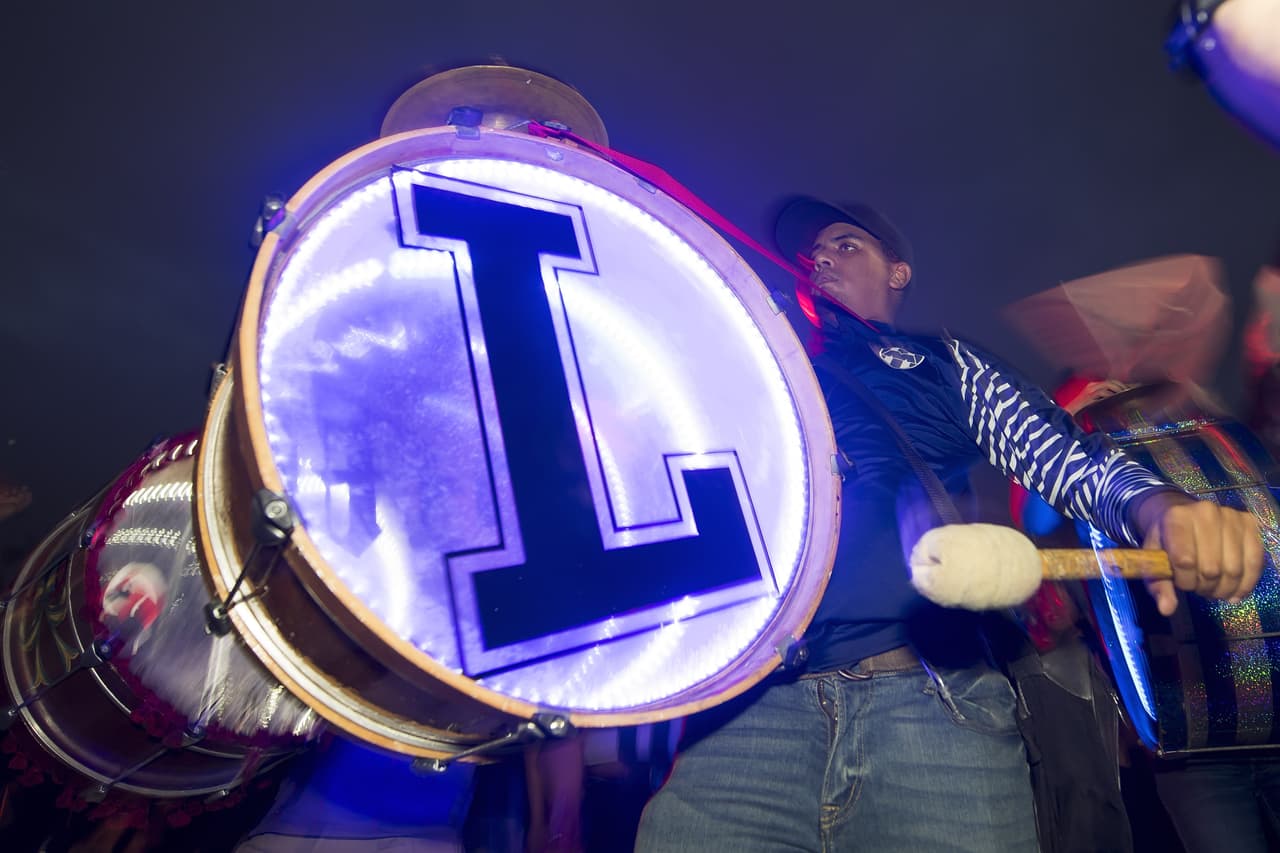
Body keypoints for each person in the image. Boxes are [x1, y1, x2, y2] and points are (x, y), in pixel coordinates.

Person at [633, 197, 1265, 852]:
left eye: (846, 244)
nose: (820, 257)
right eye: (811, 253)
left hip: (933, 705)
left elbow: (1068, 456)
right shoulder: (753, 365)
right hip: (746, 719)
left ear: (898, 271)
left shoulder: (947, 362)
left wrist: (1160, 506)